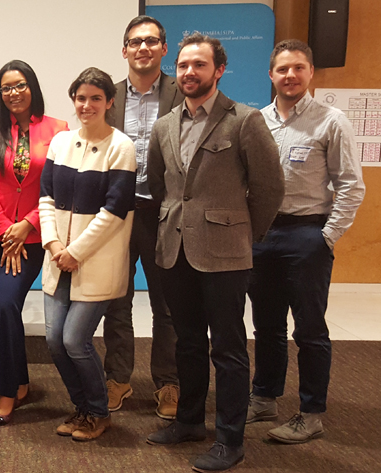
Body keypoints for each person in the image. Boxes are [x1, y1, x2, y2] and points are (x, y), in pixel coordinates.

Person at [145, 33, 284, 472]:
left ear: (218, 70)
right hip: (174, 250)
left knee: (227, 348)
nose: (189, 73)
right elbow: (157, 183)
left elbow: (269, 188)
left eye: (199, 65)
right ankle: (188, 421)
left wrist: (245, 234)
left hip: (226, 252)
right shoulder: (165, 124)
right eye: (184, 65)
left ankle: (230, 438)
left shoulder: (243, 120)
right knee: (186, 343)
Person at [247, 39, 365, 444]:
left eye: (298, 68)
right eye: (282, 69)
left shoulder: (331, 121)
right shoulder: (258, 121)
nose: (290, 76)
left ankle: (311, 413)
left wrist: (326, 237)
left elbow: (351, 186)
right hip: (263, 236)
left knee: (310, 329)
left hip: (307, 234)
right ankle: (264, 398)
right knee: (266, 324)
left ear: (311, 72)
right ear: (271, 75)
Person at [40, 67, 136, 442]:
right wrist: (53, 245)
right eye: (81, 98)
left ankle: (98, 411)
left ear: (110, 102)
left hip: (94, 262)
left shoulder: (120, 147)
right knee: (53, 340)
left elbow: (114, 211)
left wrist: (76, 251)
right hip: (57, 259)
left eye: (96, 98)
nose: (87, 104)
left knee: (74, 340)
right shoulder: (61, 142)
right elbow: (45, 197)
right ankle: (82, 408)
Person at [0, 60, 68, 427]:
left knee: (5, 303)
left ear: (33, 87)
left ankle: (5, 391)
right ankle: (20, 380)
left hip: (34, 235)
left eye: (20, 85)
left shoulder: (58, 130)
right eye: (6, 87)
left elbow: (57, 185)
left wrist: (24, 227)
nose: (14, 93)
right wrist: (5, 231)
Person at [103, 15, 183, 419]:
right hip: (118, 214)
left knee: (166, 305)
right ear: (125, 50)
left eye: (151, 41)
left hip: (162, 213)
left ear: (163, 49)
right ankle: (117, 379)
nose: (143, 48)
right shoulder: (108, 95)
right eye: (135, 42)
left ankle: (168, 383)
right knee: (116, 301)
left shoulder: (181, 92)